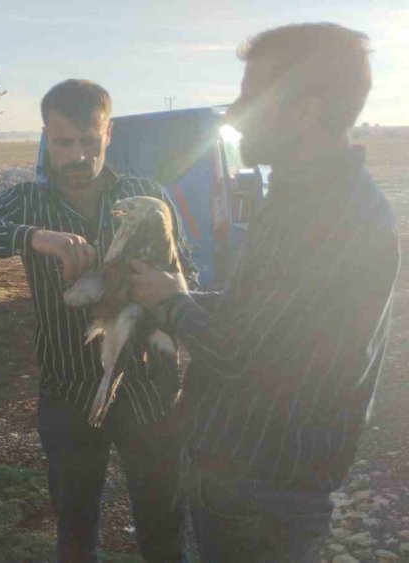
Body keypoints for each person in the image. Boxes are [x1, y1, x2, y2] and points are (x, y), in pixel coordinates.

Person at [129, 23, 399, 562]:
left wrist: (171, 299)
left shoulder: (326, 215)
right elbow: (262, 323)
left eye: (250, 97)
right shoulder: (303, 197)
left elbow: (240, 351)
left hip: (260, 494)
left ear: (306, 111)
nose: (232, 113)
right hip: (254, 486)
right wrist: (174, 298)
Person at [0, 79, 195, 562]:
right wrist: (33, 237)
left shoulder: (146, 197)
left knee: (162, 524)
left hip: (149, 388)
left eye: (89, 142)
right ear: (45, 138)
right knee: (75, 529)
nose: (77, 156)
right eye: (63, 143)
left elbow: (190, 273)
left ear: (109, 134)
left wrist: (166, 293)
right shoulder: (29, 202)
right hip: (69, 391)